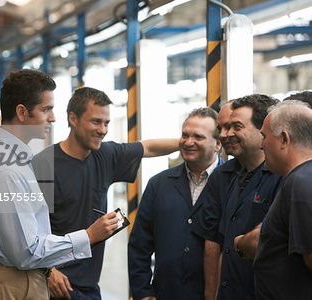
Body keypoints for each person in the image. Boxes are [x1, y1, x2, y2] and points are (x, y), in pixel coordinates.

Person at [0, 70, 119, 300]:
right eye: (46, 109)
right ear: (22, 112)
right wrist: (88, 235)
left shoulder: (6, 157)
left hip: (15, 279)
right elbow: (27, 252)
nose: (53, 118)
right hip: (15, 283)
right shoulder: (8, 170)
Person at [32, 86, 179, 300]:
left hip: (90, 286)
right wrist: (47, 271)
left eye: (106, 123)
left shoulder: (105, 155)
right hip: (54, 286)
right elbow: (29, 233)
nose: (103, 129)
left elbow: (147, 148)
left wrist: (191, 143)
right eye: (96, 121)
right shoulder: (43, 165)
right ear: (73, 119)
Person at [128, 107, 223, 300]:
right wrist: (143, 293)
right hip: (166, 293)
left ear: (217, 144)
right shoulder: (158, 184)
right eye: (184, 135)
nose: (189, 142)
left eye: (198, 137)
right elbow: (139, 245)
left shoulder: (231, 183)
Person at [235, 101, 312, 299]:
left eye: (264, 137)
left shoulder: (301, 183)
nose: (261, 145)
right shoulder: (300, 179)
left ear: (284, 139)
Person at [211, 94, 282, 300]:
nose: (227, 134)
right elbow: (224, 247)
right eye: (226, 127)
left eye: (237, 127)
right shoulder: (237, 178)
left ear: (263, 131)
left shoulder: (282, 179)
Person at [192, 101, 242, 300]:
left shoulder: (277, 175)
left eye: (233, 127)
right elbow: (213, 240)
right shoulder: (222, 177)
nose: (225, 134)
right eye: (221, 128)